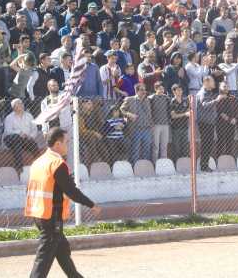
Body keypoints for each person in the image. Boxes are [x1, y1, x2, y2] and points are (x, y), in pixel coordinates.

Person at [25, 127, 102, 278]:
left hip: (39, 213)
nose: (68, 145)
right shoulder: (57, 164)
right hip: (51, 216)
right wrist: (92, 204)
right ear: (58, 144)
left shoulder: (38, 162)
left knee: (62, 252)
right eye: (66, 142)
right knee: (44, 258)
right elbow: (71, 191)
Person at [120, 83, 154, 163]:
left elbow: (150, 114)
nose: (144, 92)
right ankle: (134, 167)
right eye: (142, 90)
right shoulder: (129, 99)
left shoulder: (147, 101)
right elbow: (122, 109)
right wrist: (129, 114)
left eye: (144, 90)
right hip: (135, 129)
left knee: (147, 150)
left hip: (147, 129)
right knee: (135, 150)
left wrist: (151, 125)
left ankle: (145, 166)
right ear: (137, 91)